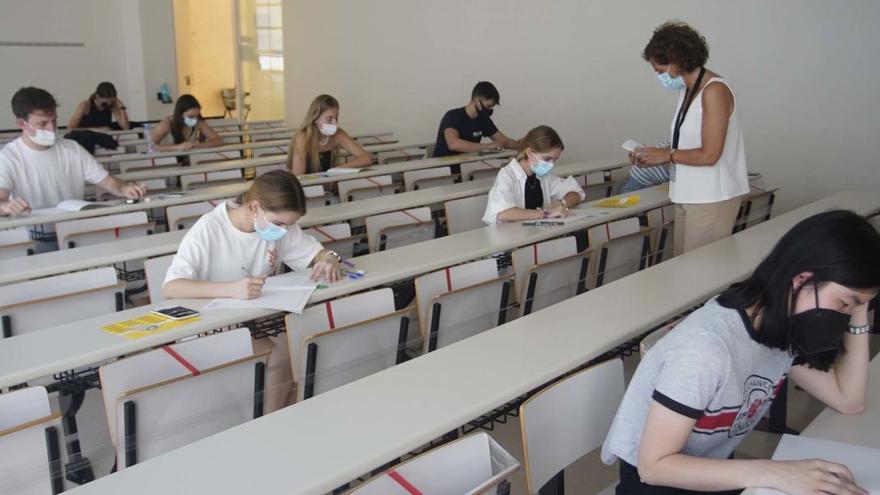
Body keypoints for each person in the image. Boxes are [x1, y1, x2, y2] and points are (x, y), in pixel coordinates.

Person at [602, 210, 880, 495]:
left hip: (712, 472)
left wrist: (860, 308)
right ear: (801, 280)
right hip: (658, 482)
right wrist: (774, 472)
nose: (845, 316)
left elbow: (849, 401)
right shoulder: (705, 349)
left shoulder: (781, 326)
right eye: (845, 304)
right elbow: (654, 467)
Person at [162, 170, 341, 411]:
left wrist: (329, 258)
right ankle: (271, 417)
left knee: (302, 340)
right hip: (211, 324)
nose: (284, 231)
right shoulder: (209, 229)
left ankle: (280, 413)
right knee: (281, 353)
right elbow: (172, 287)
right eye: (279, 224)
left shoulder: (278, 226)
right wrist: (230, 289)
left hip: (256, 317)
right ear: (255, 207)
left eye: (289, 225)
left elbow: (317, 253)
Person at [631, 22, 749, 256]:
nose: (659, 77)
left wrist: (666, 155)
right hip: (688, 194)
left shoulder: (714, 90)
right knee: (684, 268)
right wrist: (653, 155)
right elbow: (684, 144)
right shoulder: (687, 90)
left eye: (659, 70)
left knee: (701, 273)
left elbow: (710, 154)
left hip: (711, 197)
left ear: (676, 62)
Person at [0, 87, 145, 216]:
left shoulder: (72, 148)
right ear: (21, 124)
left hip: (75, 226)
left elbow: (107, 181)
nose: (52, 129)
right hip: (34, 233)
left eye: (54, 121)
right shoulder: (8, 158)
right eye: (42, 124)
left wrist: (124, 188)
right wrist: (6, 206)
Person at [482, 125, 584, 224]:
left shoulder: (543, 176)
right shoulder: (507, 175)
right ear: (530, 153)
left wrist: (562, 203)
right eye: (547, 159)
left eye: (554, 160)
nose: (551, 164)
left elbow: (575, 192)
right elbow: (503, 213)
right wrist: (545, 214)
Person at [287, 94, 372, 175]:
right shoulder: (302, 137)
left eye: (336, 117)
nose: (334, 123)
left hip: (327, 183)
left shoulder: (338, 134)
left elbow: (366, 158)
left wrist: (338, 169)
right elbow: (298, 175)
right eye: (329, 118)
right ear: (315, 118)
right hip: (306, 187)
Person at [431, 81, 520, 158]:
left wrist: (523, 145)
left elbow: (504, 141)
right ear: (476, 101)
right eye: (488, 106)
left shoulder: (484, 120)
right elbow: (453, 144)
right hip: (443, 169)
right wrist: (488, 146)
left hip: (467, 168)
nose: (490, 110)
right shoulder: (452, 116)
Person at [149, 94, 223, 152]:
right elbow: (152, 146)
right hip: (167, 160)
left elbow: (218, 140)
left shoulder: (199, 122)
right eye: (190, 116)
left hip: (189, 159)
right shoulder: (166, 124)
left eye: (197, 116)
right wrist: (178, 147)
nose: (194, 119)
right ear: (180, 114)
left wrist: (200, 145)